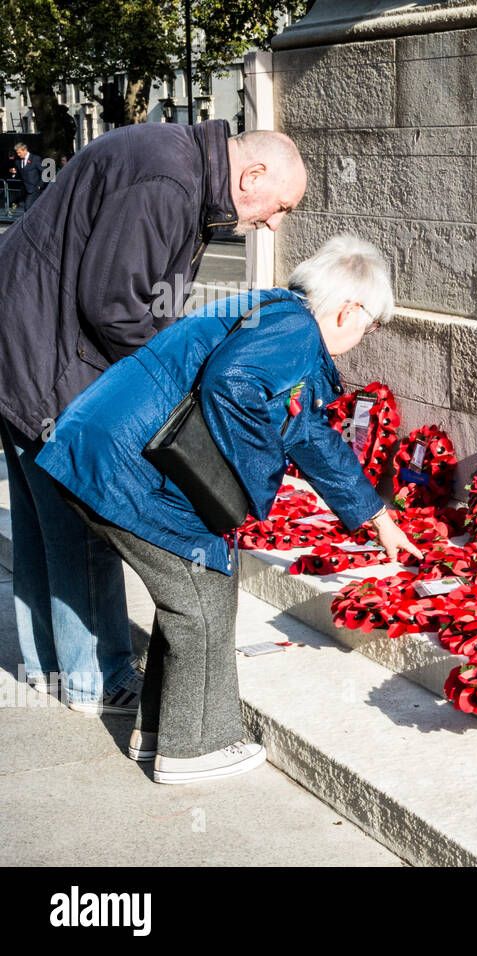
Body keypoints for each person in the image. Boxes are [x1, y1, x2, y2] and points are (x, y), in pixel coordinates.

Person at [37, 235, 422, 784]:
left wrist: (375, 516)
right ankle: (195, 747)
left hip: (107, 451)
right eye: (372, 323)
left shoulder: (276, 316)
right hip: (124, 465)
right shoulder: (293, 329)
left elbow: (306, 430)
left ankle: (158, 733)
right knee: (201, 594)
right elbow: (231, 384)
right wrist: (251, 482)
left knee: (195, 591)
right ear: (348, 309)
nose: (366, 336)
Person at [0, 120, 306, 716]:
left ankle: (51, 670)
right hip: (49, 362)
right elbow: (115, 305)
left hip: (25, 349)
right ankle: (100, 678)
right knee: (87, 521)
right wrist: (174, 382)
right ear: (253, 175)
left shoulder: (174, 160)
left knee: (41, 527)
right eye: (280, 206)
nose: (273, 222)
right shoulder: (169, 178)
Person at [13, 142, 44, 211]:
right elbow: (19, 174)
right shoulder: (17, 161)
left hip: (34, 189)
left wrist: (40, 185)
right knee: (29, 209)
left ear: (25, 150)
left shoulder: (35, 159)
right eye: (17, 153)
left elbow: (44, 172)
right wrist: (14, 173)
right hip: (24, 190)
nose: (18, 154)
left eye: (19, 152)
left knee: (28, 208)